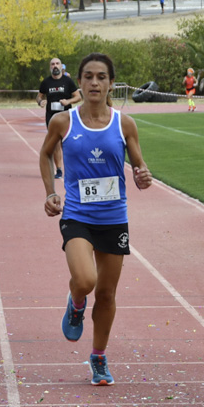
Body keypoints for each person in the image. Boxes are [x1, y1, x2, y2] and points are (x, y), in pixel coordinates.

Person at [40, 52, 153, 386]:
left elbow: (138, 166)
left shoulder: (124, 123)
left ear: (111, 84)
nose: (94, 82)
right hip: (77, 216)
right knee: (86, 281)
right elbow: (46, 154)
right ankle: (76, 303)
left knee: (105, 294)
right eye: (88, 76)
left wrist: (142, 176)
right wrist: (50, 193)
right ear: (80, 81)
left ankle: (98, 357)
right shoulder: (63, 122)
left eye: (101, 77)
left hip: (114, 218)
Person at [37, 57, 82, 179]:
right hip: (51, 116)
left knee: (67, 142)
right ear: (50, 67)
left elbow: (78, 97)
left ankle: (72, 168)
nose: (55, 66)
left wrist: (67, 101)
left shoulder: (67, 81)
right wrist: (40, 102)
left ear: (61, 66)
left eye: (57, 64)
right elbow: (39, 96)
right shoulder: (46, 82)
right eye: (52, 64)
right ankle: (59, 170)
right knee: (55, 143)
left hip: (66, 116)